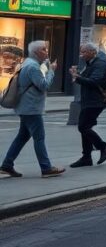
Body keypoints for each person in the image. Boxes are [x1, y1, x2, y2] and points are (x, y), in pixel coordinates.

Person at [1, 41, 65, 178]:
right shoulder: (33, 67)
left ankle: (7, 165)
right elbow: (44, 85)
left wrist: (46, 67)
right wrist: (51, 71)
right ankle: (46, 168)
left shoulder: (28, 63)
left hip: (26, 107)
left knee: (22, 137)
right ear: (36, 52)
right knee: (39, 138)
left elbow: (35, 81)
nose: (46, 52)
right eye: (43, 49)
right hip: (31, 108)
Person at [69, 43, 106, 167]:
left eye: (84, 52)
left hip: (95, 101)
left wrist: (77, 77)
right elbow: (88, 78)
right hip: (89, 100)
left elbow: (94, 81)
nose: (81, 55)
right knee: (86, 127)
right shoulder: (91, 63)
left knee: (83, 127)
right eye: (81, 52)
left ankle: (103, 146)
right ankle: (86, 157)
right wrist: (77, 74)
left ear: (92, 52)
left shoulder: (100, 64)